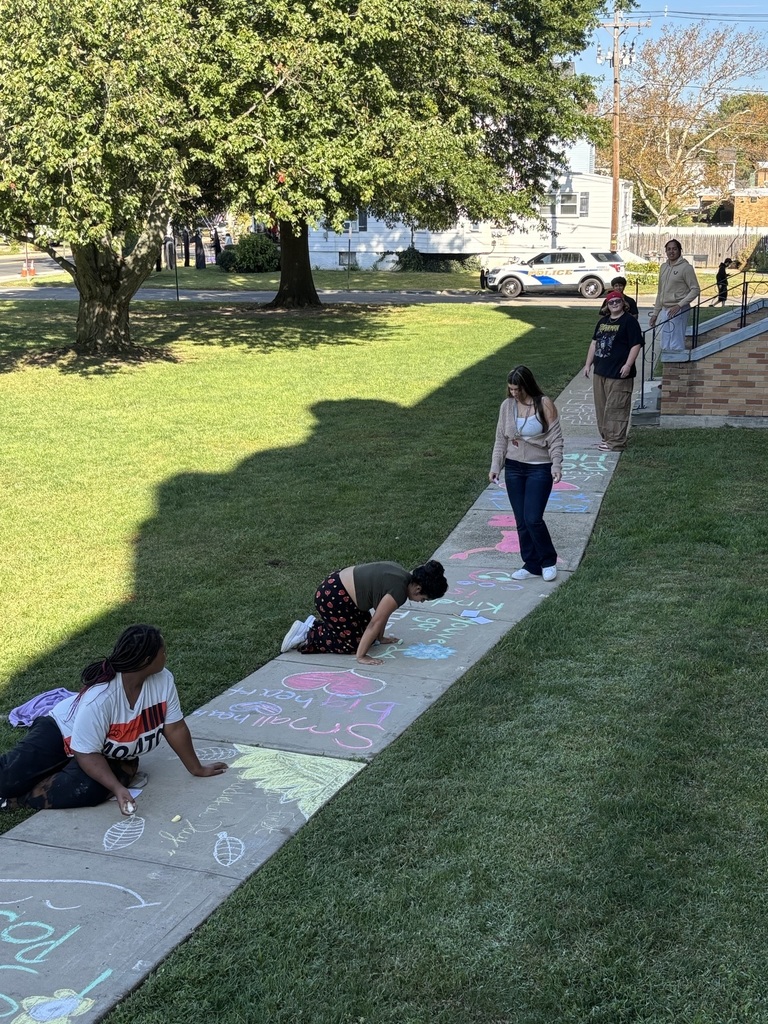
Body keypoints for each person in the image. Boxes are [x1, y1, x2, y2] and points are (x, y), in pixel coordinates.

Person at [0, 625, 227, 816]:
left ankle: (15, 800)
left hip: (109, 753)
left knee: (88, 790)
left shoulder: (164, 680)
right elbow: (85, 753)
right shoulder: (101, 697)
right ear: (147, 660)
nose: (166, 655)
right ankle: (19, 784)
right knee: (7, 778)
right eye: (163, 651)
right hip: (61, 731)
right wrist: (118, 788)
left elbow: (175, 728)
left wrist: (197, 768)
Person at [281, 561, 449, 666]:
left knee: (365, 635)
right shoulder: (398, 592)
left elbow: (382, 614)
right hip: (333, 598)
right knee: (352, 644)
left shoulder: (402, 575)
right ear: (418, 588)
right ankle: (308, 633)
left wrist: (380, 638)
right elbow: (375, 623)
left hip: (334, 588)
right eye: (424, 599)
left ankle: (318, 626)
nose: (421, 602)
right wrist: (361, 656)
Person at [488, 365, 564, 582]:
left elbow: (556, 439)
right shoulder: (507, 406)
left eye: (517, 389)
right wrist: (496, 466)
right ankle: (531, 563)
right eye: (511, 389)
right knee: (521, 519)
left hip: (539, 467)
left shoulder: (544, 404)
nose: (514, 393)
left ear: (527, 386)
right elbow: (500, 439)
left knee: (533, 518)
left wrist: (556, 465)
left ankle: (548, 560)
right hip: (514, 467)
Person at [584, 290, 643, 452]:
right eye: (611, 302)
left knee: (617, 407)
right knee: (602, 407)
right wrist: (588, 364)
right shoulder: (603, 321)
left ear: (623, 303)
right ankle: (607, 438)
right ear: (607, 305)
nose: (614, 304)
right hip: (601, 371)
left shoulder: (629, 322)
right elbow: (594, 343)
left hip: (619, 373)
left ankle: (616, 442)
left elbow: (636, 344)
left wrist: (628, 365)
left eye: (617, 301)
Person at [648, 239, 700, 351]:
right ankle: (667, 367)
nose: (671, 252)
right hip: (665, 309)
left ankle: (677, 366)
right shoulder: (663, 267)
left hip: (678, 309)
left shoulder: (686, 268)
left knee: (676, 343)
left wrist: (679, 305)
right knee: (665, 341)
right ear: (666, 251)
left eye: (674, 249)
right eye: (669, 249)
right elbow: (660, 291)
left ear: (680, 250)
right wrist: (655, 313)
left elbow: (695, 289)